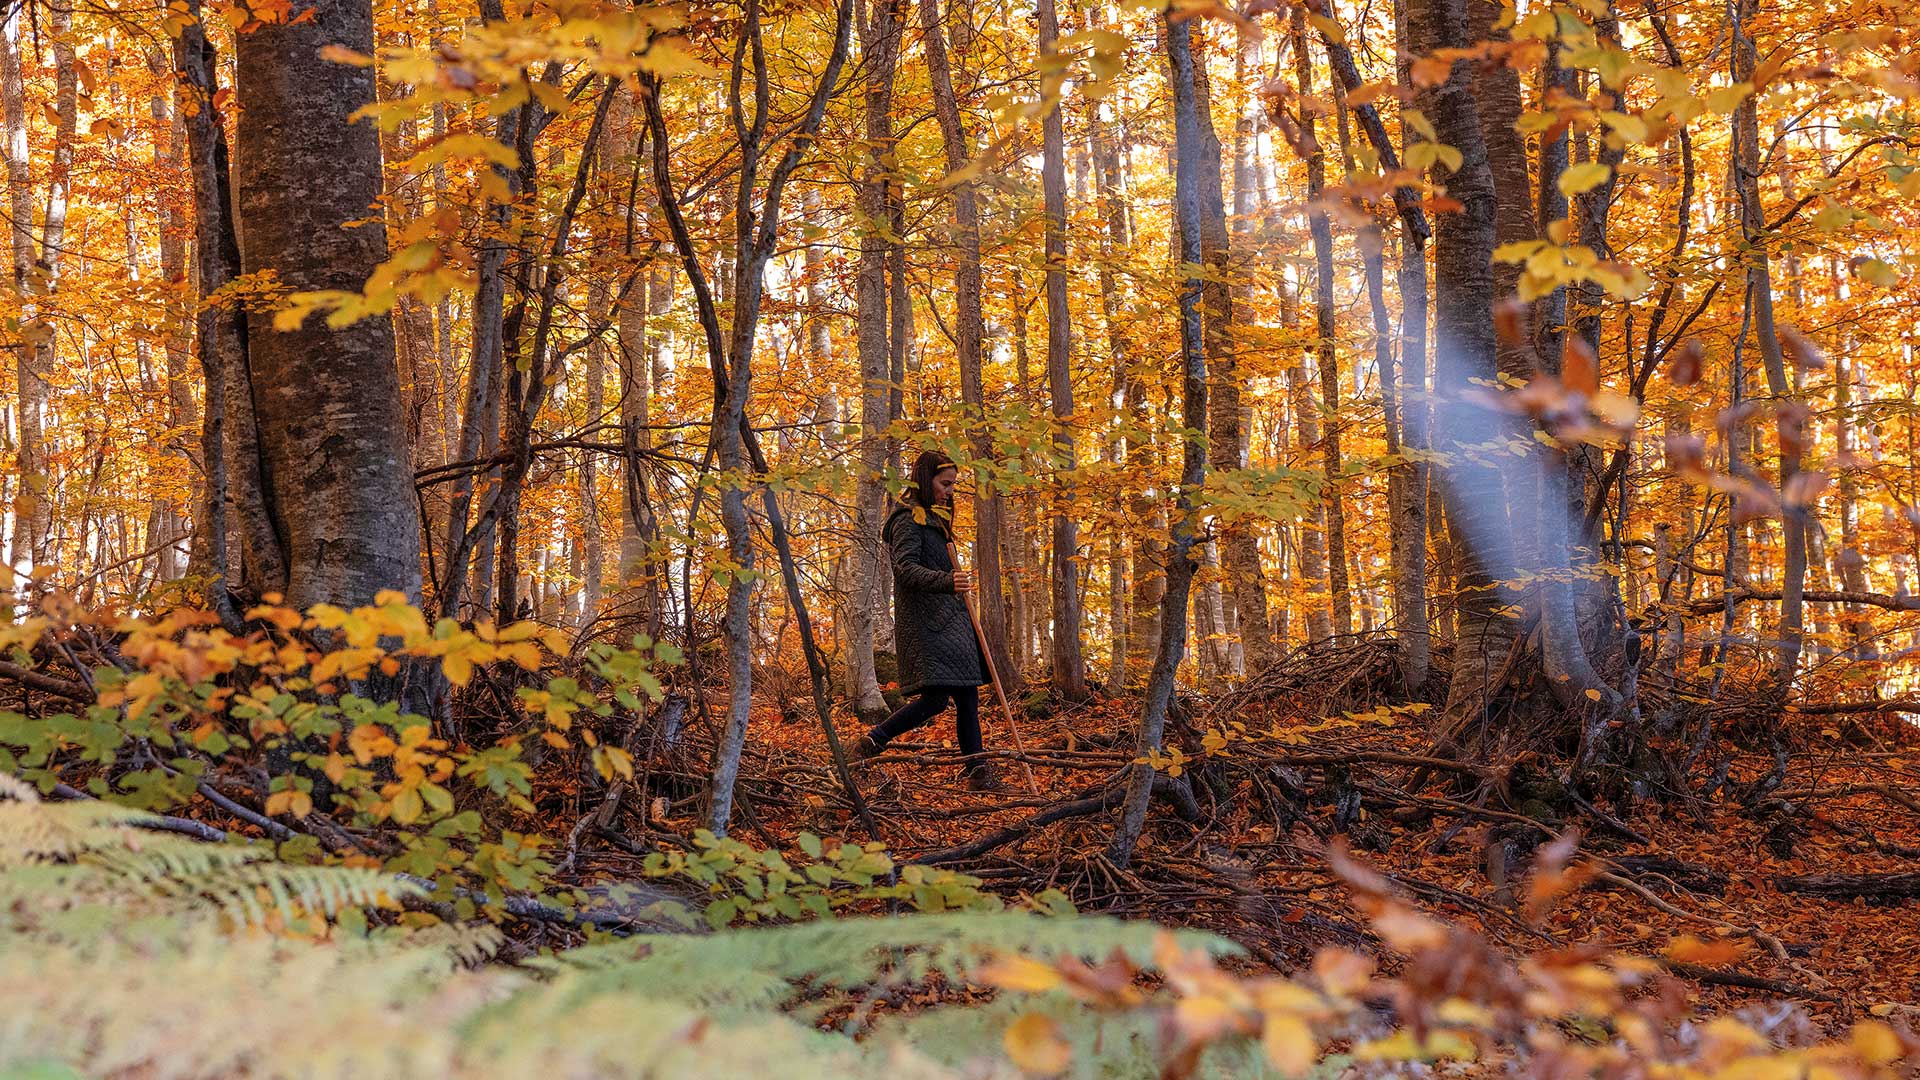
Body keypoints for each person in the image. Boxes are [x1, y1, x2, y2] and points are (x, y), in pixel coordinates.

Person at [852, 450, 1006, 792]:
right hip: (927, 623)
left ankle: (977, 772)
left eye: (953, 485)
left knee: (966, 698)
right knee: (936, 700)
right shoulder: (907, 520)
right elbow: (905, 570)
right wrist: (946, 581)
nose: (950, 491)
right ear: (925, 479)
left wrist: (952, 583)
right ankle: (872, 741)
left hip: (952, 619)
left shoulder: (936, 520)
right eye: (945, 483)